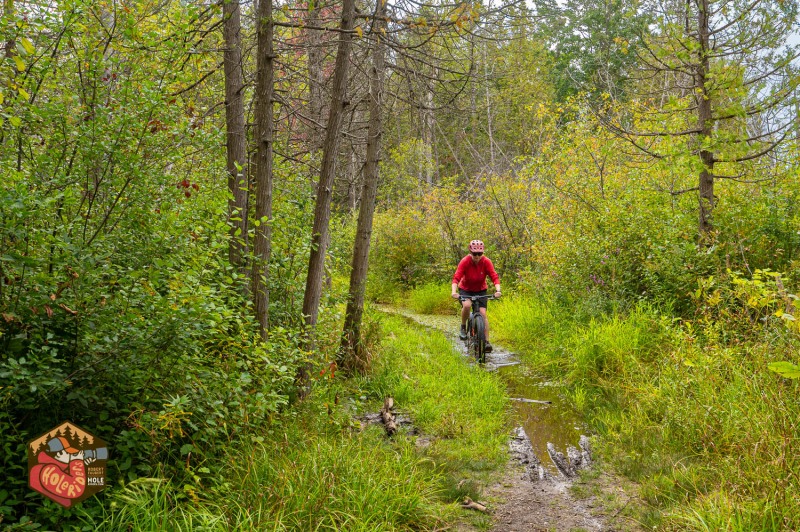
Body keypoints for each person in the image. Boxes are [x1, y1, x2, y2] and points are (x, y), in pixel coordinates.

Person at [451, 239, 501, 352]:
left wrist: (498, 290)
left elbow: (494, 277)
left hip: (481, 290)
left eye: (480, 254)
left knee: (483, 314)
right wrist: (454, 292)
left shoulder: (486, 261)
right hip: (465, 289)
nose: (477, 256)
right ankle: (463, 326)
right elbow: (456, 278)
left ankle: (487, 342)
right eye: (475, 254)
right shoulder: (465, 261)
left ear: (482, 253)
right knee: (467, 305)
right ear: (470, 252)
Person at [29, 436, 95, 507]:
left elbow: (64, 476)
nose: (71, 455)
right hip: (54, 511)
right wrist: (77, 462)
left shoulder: (51, 466)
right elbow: (75, 489)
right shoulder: (47, 470)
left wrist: (82, 465)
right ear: (59, 454)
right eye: (68, 453)